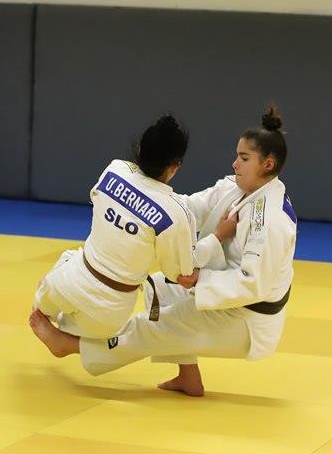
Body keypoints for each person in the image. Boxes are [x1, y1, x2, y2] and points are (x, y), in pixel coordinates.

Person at [30, 105, 297, 396]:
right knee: (158, 289)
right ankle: (188, 376)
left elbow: (254, 284)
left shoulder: (269, 221)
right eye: (237, 156)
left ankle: (71, 346)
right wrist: (146, 200)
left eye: (244, 159)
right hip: (225, 298)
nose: (235, 164)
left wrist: (200, 279)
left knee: (151, 327)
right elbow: (188, 208)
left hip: (249, 320)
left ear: (267, 164)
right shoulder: (237, 187)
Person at [30, 114, 196, 340]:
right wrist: (216, 239)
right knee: (113, 340)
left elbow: (97, 199)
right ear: (175, 166)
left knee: (66, 261)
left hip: (66, 285)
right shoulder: (176, 213)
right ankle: (70, 341)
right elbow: (178, 275)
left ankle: (48, 312)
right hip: (109, 316)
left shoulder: (115, 169)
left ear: (140, 149)